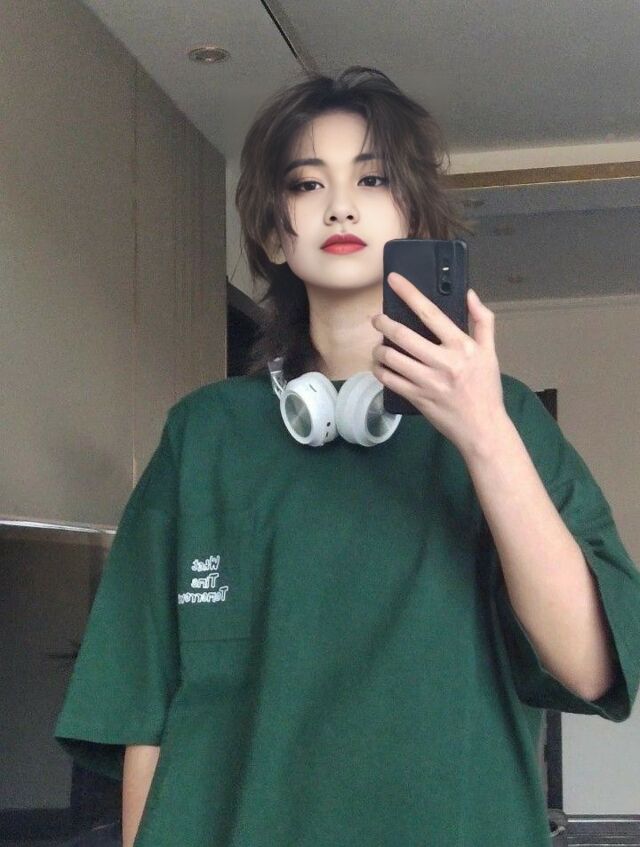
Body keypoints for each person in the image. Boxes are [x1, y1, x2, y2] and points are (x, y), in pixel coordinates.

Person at [55, 66, 640, 847]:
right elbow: (145, 713)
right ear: (274, 233)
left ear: (416, 219)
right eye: (306, 183)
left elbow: (592, 665)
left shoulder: (507, 420)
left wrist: (483, 433)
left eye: (372, 178)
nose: (339, 205)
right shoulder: (204, 437)